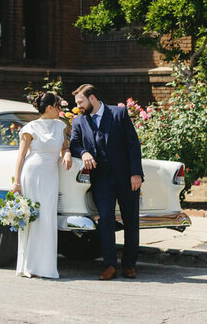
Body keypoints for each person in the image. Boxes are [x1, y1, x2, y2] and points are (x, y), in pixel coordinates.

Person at [69, 83, 143, 280]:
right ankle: (109, 265)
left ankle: (129, 265)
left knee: (131, 222)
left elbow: (133, 144)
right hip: (100, 180)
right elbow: (74, 144)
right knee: (105, 222)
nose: (77, 106)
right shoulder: (79, 121)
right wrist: (83, 152)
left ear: (92, 98)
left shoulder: (118, 114)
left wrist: (136, 173)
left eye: (80, 102)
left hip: (126, 178)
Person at [11, 91, 72, 279]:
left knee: (47, 218)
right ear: (50, 108)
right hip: (33, 173)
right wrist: (16, 182)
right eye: (58, 106)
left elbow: (64, 146)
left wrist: (67, 153)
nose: (61, 109)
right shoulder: (30, 128)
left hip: (51, 176)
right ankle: (29, 265)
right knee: (34, 217)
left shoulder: (60, 125)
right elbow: (21, 156)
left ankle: (45, 266)